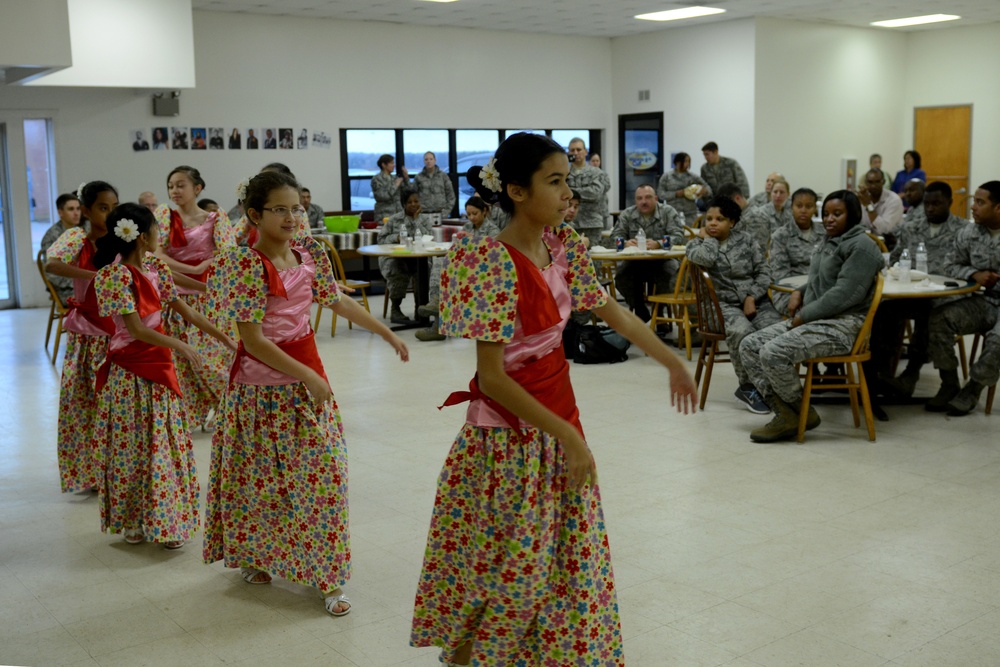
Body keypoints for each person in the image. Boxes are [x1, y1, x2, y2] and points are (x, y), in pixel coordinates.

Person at [410, 132, 697, 666]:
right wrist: (566, 437)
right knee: (510, 567)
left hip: (560, 423)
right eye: (556, 181)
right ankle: (469, 653)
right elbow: (492, 378)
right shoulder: (488, 261)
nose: (570, 193)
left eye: (568, 179)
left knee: (557, 562)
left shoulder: (565, 249)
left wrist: (671, 359)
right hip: (508, 438)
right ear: (516, 191)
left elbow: (615, 313)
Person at [204, 169, 408, 616]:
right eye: (280, 209)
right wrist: (309, 377)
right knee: (259, 481)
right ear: (254, 214)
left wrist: (385, 332)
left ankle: (328, 576)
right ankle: (257, 556)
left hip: (304, 382)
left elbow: (336, 300)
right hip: (259, 391)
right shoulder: (242, 265)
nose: (292, 216)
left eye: (296, 207)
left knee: (323, 480)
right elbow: (253, 340)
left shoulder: (309, 251)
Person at [92, 203, 236, 548]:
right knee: (134, 447)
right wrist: (181, 346)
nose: (162, 234)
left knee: (164, 443)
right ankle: (133, 519)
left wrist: (226, 338)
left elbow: (183, 309)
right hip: (130, 370)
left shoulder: (155, 265)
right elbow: (136, 330)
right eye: (157, 229)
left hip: (160, 364)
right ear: (143, 237)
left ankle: (167, 520)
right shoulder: (113, 276)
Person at [739, 190, 884, 442]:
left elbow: (843, 295)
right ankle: (789, 412)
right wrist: (800, 290)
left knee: (772, 352)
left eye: (837, 214)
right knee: (750, 346)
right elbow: (824, 282)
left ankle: (796, 414)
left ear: (853, 215)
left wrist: (803, 315)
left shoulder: (862, 247)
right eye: (826, 214)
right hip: (820, 318)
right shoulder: (830, 240)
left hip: (844, 326)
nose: (829, 219)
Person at [45, 182, 118, 493]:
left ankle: (116, 466)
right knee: (85, 403)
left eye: (114, 207)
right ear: (86, 211)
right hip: (88, 334)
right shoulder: (78, 237)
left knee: (116, 406)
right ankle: (90, 472)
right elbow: (53, 263)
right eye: (103, 208)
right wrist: (96, 276)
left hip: (120, 333)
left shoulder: (122, 239)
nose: (111, 214)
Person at [152, 166, 234, 428]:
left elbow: (226, 254)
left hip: (207, 296)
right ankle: (189, 414)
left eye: (180, 185)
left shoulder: (215, 218)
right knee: (180, 361)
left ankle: (228, 406)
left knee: (210, 359)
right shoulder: (165, 215)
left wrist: (208, 274)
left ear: (197, 189)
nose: (174, 191)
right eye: (171, 186)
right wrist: (194, 268)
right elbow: (156, 255)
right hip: (174, 295)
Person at [687, 196, 782, 415]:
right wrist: (708, 239)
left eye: (719, 219)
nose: (712, 223)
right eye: (708, 219)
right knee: (743, 332)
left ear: (733, 222)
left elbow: (764, 271)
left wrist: (751, 296)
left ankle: (775, 384)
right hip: (721, 307)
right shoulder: (695, 245)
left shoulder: (747, 240)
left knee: (776, 329)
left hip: (755, 301)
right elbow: (707, 259)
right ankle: (748, 387)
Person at [874, 182, 965, 397]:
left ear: (950, 203)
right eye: (927, 204)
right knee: (886, 310)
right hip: (913, 291)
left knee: (932, 315)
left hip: (946, 296)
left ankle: (910, 375)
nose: (931, 208)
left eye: (937, 203)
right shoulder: (911, 227)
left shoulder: (963, 231)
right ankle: (882, 373)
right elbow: (896, 259)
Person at [923, 181, 1000, 415]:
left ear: (998, 208)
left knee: (998, 340)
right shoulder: (969, 232)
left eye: (980, 202)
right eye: (973, 202)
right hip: (983, 302)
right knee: (939, 319)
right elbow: (949, 264)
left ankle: (972, 389)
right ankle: (949, 383)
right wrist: (974, 273)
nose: (973, 208)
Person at [415, 195, 501, 343]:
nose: (472, 218)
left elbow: (493, 253)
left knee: (448, 273)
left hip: (483, 271)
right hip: (465, 266)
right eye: (469, 214)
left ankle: (437, 323)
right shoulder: (467, 227)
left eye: (475, 214)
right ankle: (436, 305)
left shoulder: (492, 230)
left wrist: (472, 240)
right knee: (440, 262)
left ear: (484, 212)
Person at [611, 184, 686, 321]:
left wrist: (660, 243)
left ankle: (659, 312)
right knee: (622, 277)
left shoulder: (668, 212)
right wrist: (625, 243)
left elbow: (679, 235)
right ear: (635, 201)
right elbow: (614, 237)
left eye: (648, 197)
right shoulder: (627, 214)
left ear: (656, 198)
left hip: (662, 261)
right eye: (639, 198)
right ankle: (639, 309)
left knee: (671, 274)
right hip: (635, 262)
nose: (643, 202)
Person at [378, 188, 434, 323]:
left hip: (419, 258)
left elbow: (429, 236)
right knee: (398, 269)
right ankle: (395, 309)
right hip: (395, 257)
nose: (413, 204)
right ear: (403, 204)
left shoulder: (424, 219)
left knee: (423, 270)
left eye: (416, 201)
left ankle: (420, 309)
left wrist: (416, 220)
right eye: (410, 202)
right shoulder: (394, 219)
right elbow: (381, 239)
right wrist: (396, 237)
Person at [768, 187, 822, 317]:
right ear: (791, 207)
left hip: (820, 290)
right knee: (816, 312)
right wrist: (801, 291)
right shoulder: (781, 236)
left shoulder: (825, 233)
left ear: (815, 209)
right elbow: (781, 276)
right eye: (799, 206)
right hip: (788, 293)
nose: (803, 210)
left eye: (809, 206)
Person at [566, 136, 611, 247]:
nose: (575, 153)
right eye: (572, 150)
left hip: (592, 224)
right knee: (571, 259)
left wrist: (570, 191)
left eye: (579, 149)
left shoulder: (597, 173)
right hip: (568, 223)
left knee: (594, 259)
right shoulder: (564, 172)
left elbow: (595, 193)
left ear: (585, 152)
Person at [41, 193, 83, 304]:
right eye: (71, 209)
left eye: (78, 209)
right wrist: (79, 280)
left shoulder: (79, 232)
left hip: (80, 283)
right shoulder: (53, 236)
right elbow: (52, 273)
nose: (76, 213)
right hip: (65, 290)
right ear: (60, 212)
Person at [739, 176, 793, 254]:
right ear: (770, 193)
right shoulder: (761, 213)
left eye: (782, 192)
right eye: (775, 192)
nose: (778, 195)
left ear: (788, 194)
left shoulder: (790, 214)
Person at [657, 152, 710, 225]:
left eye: (689, 161)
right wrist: (675, 194)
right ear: (677, 162)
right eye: (685, 161)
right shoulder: (667, 177)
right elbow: (660, 194)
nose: (688, 164)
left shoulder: (693, 176)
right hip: (673, 214)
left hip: (690, 215)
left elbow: (707, 188)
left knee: (691, 234)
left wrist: (703, 191)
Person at [857, 167, 904, 238]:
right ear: (865, 182)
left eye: (877, 182)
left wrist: (868, 206)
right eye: (870, 182)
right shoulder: (862, 198)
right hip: (865, 242)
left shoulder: (894, 200)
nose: (873, 186)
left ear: (883, 182)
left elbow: (884, 230)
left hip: (890, 244)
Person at [414, 151, 456, 216]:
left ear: (435, 160)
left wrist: (446, 211)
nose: (428, 161)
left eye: (431, 159)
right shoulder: (418, 177)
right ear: (424, 161)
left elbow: (451, 196)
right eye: (426, 159)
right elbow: (414, 196)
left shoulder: (443, 176)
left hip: (441, 213)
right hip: (423, 213)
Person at [372, 153, 407, 224]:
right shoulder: (377, 179)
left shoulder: (395, 178)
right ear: (384, 165)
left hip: (398, 216)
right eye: (391, 163)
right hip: (384, 217)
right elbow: (383, 197)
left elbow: (408, 191)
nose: (394, 165)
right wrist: (395, 185)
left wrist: (406, 178)